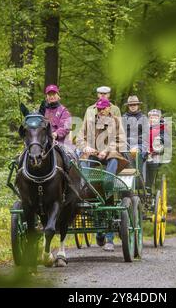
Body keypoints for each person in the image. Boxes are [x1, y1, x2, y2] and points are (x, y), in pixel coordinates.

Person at [76, 97, 128, 251]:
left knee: (108, 190)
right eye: (98, 109)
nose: (100, 111)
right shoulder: (89, 121)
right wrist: (86, 147)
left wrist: (108, 149)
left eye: (103, 109)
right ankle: (86, 183)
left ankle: (108, 182)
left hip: (111, 155)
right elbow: (79, 138)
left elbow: (121, 140)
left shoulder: (116, 121)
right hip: (94, 155)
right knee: (83, 163)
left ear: (108, 109)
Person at [122, 95, 149, 181]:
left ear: (138, 105)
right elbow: (120, 133)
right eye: (131, 105)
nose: (133, 106)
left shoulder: (143, 118)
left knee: (135, 152)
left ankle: (138, 180)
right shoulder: (124, 118)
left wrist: (139, 146)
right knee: (117, 152)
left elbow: (146, 135)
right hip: (126, 144)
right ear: (128, 106)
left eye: (134, 105)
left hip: (139, 144)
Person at [146, 109, 167, 192]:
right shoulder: (145, 127)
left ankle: (149, 187)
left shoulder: (162, 127)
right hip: (145, 152)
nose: (153, 119)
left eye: (155, 117)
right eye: (151, 117)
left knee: (152, 165)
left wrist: (160, 139)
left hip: (156, 153)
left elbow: (165, 139)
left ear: (159, 118)